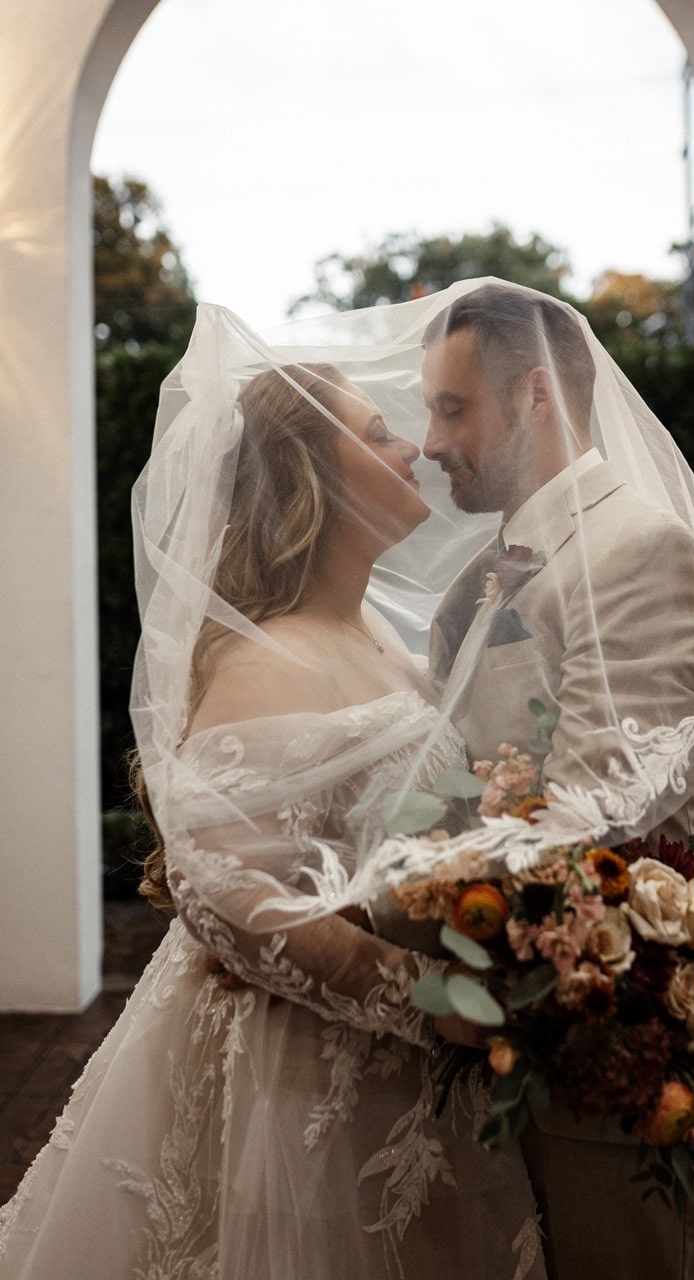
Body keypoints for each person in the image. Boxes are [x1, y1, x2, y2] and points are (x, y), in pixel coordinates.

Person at [0, 307, 546, 1280]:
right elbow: (229, 899)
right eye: (375, 434)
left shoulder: (377, 629)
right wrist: (437, 1002)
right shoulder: (261, 661)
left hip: (412, 1072)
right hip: (294, 1085)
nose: (412, 448)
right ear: (314, 477)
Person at [417, 282, 694, 1280]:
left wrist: (383, 902)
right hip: (498, 1032)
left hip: (593, 1049)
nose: (427, 440)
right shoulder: (486, 570)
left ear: (534, 395)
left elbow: (600, 817)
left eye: (450, 407)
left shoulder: (636, 552)